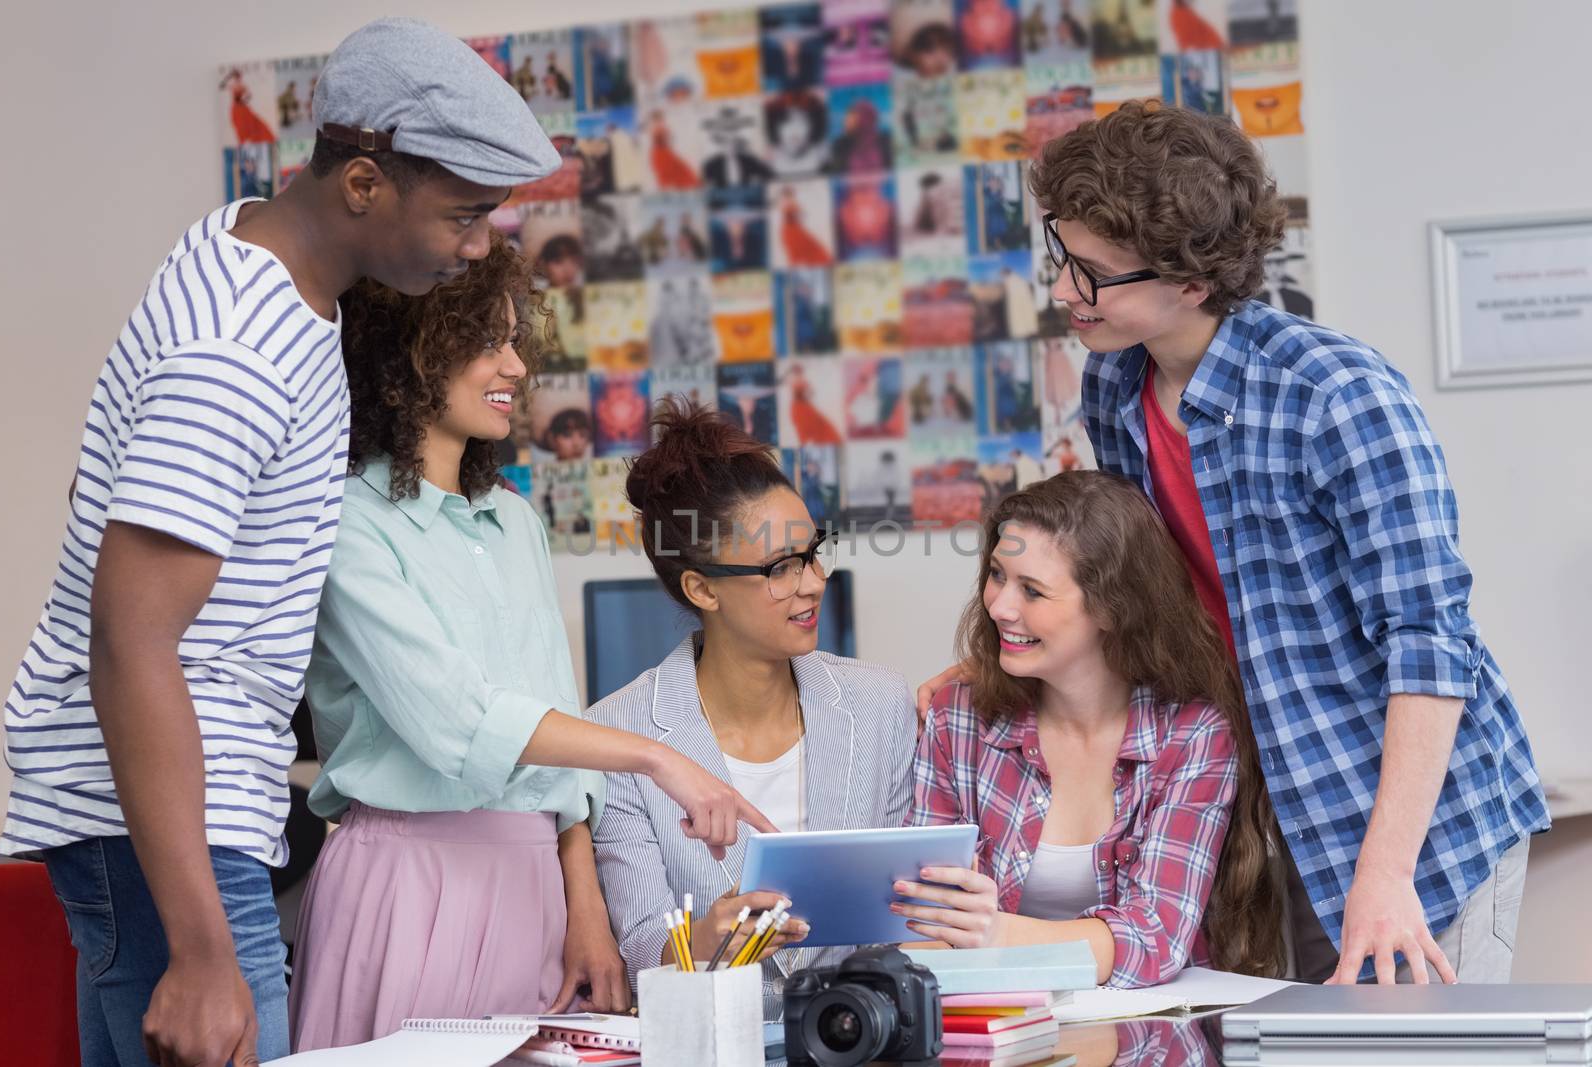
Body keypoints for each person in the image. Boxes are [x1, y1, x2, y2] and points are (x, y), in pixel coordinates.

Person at [0, 19, 565, 1067]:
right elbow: (131, 636)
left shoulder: (245, 247)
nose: (478, 244)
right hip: (169, 824)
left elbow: (107, 490)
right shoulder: (240, 344)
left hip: (161, 812)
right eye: (464, 214)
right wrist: (205, 948)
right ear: (362, 184)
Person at [925, 102, 1548, 985]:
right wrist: (997, 655)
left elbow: (1429, 642)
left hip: (1416, 826)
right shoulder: (1116, 383)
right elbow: (1139, 591)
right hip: (1269, 791)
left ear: (1189, 280)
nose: (1065, 291)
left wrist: (1386, 871)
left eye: (1094, 274)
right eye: (1063, 257)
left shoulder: (1337, 396)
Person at [289, 235, 772, 1049]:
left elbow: (554, 739)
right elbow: (459, 721)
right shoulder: (346, 523)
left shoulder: (515, 523)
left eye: (517, 340)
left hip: (536, 890)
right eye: (487, 340)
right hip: (408, 884)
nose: (515, 366)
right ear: (408, 350)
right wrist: (659, 757)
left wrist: (583, 904)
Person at [589, 401, 916, 1008]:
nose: (814, 581)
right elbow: (635, 952)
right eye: (780, 568)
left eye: (813, 552)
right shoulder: (617, 735)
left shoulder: (878, 703)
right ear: (702, 587)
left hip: (862, 1037)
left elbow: (901, 910)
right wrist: (700, 942)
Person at [899, 472, 1283, 987]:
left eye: (1032, 591)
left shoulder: (1193, 733)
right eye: (996, 575)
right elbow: (922, 923)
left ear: (1111, 607)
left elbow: (1156, 939)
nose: (999, 607)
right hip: (992, 1025)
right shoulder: (957, 718)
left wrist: (996, 934)